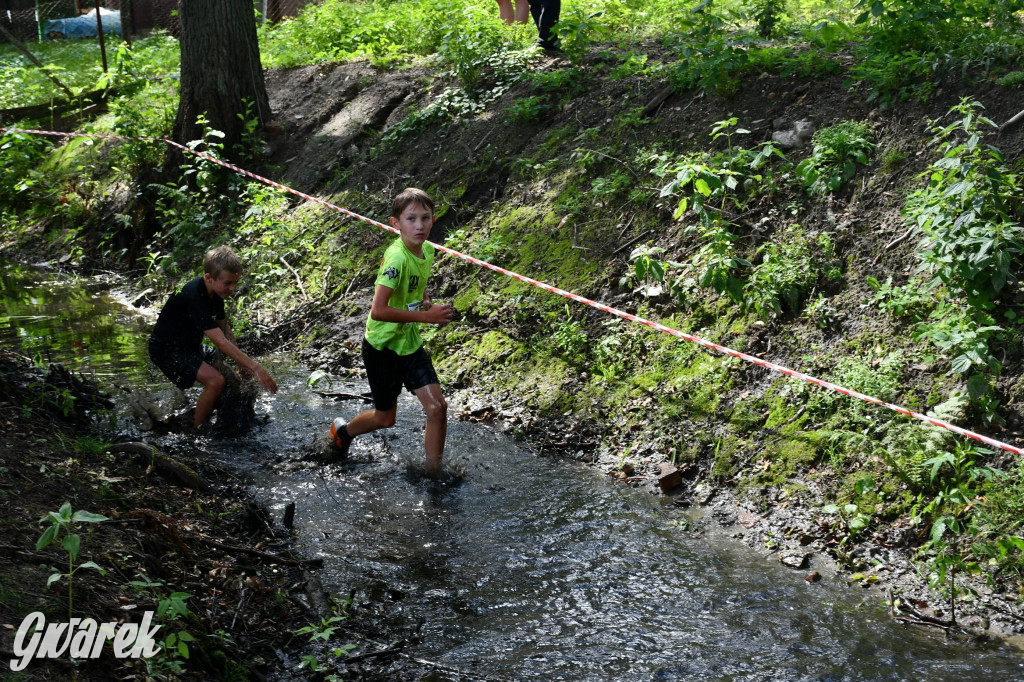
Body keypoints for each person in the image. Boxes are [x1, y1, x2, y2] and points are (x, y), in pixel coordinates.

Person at [330, 188, 453, 476]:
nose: (419, 226)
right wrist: (426, 316)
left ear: (433, 220)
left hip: (408, 342)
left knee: (437, 409)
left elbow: (418, 276)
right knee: (385, 419)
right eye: (411, 219)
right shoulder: (396, 259)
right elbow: (378, 310)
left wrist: (423, 296)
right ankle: (343, 433)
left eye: (425, 218)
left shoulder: (428, 249)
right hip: (381, 347)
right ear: (395, 224)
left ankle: (433, 475)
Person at [148, 245, 277, 430]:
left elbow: (224, 329)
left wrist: (241, 364)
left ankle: (223, 418)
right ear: (209, 277)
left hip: (189, 347)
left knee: (233, 380)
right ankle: (198, 432)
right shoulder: (194, 296)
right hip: (166, 350)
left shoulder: (216, 293)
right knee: (216, 382)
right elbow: (220, 342)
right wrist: (255, 366)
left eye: (235, 283)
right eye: (227, 283)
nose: (232, 288)